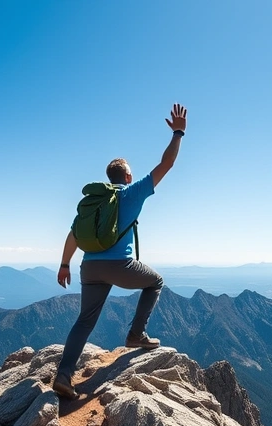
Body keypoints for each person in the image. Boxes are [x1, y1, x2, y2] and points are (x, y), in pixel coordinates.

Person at [51, 103, 188, 400]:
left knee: (84, 321)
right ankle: (136, 334)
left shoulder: (95, 203)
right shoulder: (132, 192)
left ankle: (63, 375)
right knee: (156, 282)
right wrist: (178, 133)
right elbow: (166, 163)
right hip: (119, 265)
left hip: (89, 267)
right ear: (127, 176)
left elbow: (74, 235)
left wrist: (64, 265)